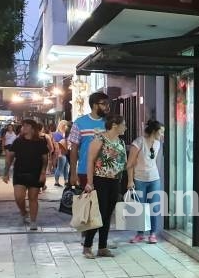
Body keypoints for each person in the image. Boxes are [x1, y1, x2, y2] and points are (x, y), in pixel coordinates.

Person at [83, 114, 127, 259]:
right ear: (115, 125)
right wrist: (90, 182)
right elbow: (90, 161)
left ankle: (102, 246)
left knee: (108, 214)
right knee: (98, 214)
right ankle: (87, 246)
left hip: (115, 181)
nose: (125, 127)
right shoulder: (99, 139)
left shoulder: (120, 141)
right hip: (100, 180)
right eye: (123, 124)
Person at [70, 92, 110, 244]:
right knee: (89, 203)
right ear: (94, 105)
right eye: (104, 103)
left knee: (102, 206)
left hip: (105, 171)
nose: (107, 107)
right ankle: (86, 236)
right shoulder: (79, 123)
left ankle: (101, 240)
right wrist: (73, 172)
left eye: (107, 104)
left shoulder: (108, 123)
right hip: (85, 171)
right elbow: (73, 149)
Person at [2, 119, 49, 231]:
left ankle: (33, 221)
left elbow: (45, 159)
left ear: (32, 129)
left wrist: (43, 173)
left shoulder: (41, 142)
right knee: (19, 197)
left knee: (33, 198)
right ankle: (23, 212)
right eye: (23, 126)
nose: (23, 128)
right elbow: (10, 157)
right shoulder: (18, 141)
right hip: (20, 173)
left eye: (26, 126)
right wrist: (6, 173)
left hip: (35, 173)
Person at [127, 119, 164, 244]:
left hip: (154, 179)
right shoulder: (138, 142)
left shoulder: (158, 143)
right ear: (154, 131)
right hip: (139, 179)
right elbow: (130, 164)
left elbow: (152, 162)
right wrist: (130, 180)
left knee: (154, 207)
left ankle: (152, 234)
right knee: (140, 208)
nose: (162, 135)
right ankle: (140, 234)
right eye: (161, 132)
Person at [53, 120, 70, 187]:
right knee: (60, 167)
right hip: (61, 152)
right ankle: (56, 182)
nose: (66, 126)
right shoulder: (57, 134)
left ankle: (66, 181)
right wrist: (59, 153)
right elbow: (56, 144)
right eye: (65, 125)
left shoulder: (64, 133)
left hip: (65, 152)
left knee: (66, 167)